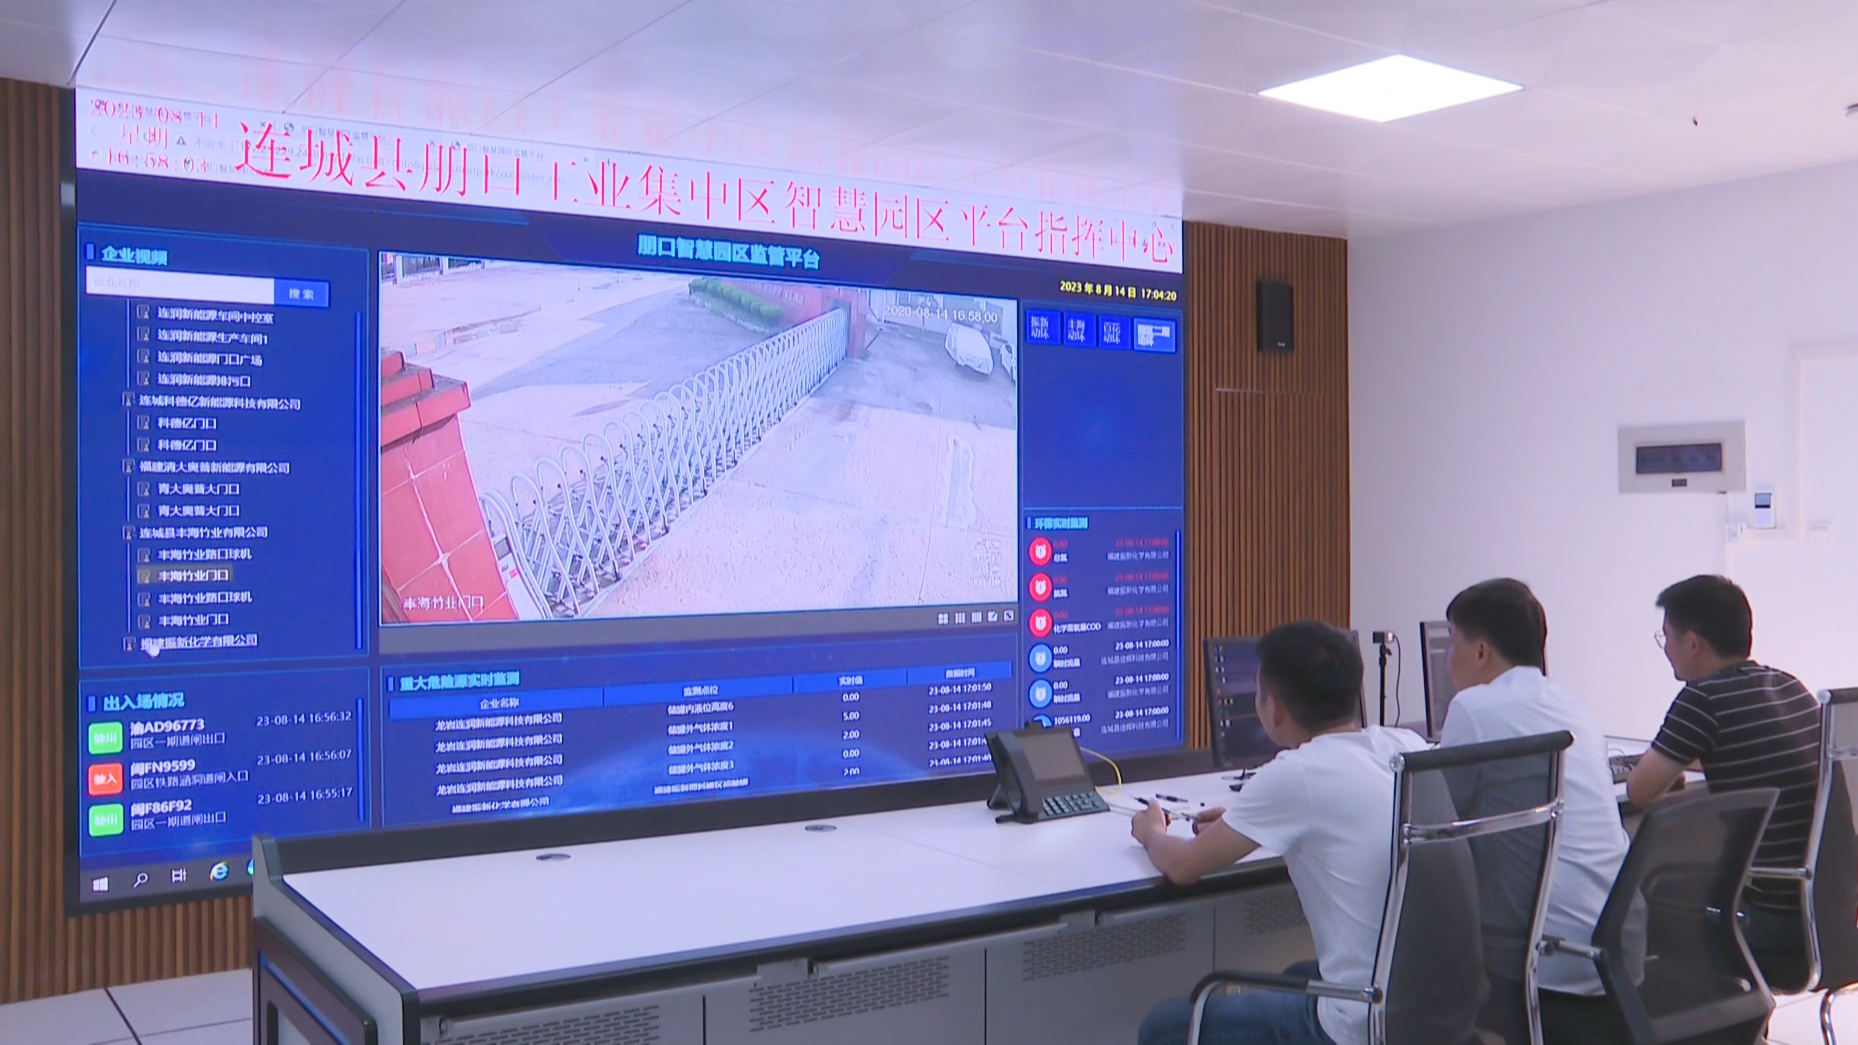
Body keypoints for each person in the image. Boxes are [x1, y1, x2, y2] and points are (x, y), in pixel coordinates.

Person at [1131, 621, 1428, 1045]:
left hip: (1363, 1023)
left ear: (1273, 709)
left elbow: (1181, 866)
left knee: (1165, 1026)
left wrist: (1150, 832)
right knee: (1295, 975)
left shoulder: (1296, 773)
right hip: (1435, 1005)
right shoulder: (1406, 745)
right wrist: (1246, 821)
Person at [1438, 579, 1630, 1041]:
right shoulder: (1573, 707)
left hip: (1538, 958)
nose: (1447, 660)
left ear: (1480, 652)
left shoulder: (1473, 708)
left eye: (1451, 643)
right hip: (1616, 951)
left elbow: (1436, 826)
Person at [1626, 574, 1821, 990]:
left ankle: (1718, 1018)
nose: (1667, 650)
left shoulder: (1702, 699)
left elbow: (1638, 791)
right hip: (1827, 916)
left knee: (1654, 899)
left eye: (1666, 638)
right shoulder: (1788, 686)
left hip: (1772, 922)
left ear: (1693, 643)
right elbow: (1754, 747)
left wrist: (1670, 763)